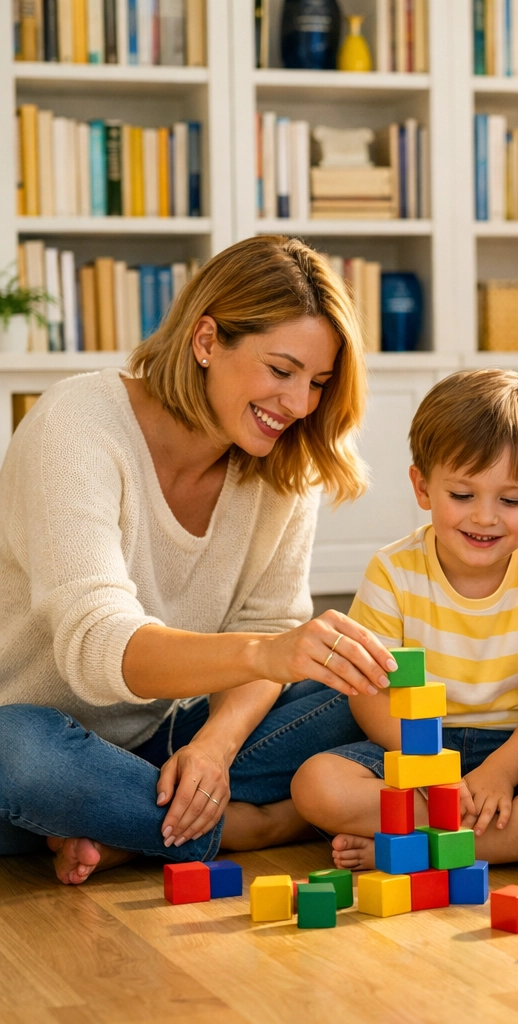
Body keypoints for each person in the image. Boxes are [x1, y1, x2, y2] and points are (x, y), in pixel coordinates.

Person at [0, 235, 397, 885]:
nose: (299, 406)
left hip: (175, 736)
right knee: (20, 758)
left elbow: (273, 629)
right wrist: (264, 656)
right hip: (44, 736)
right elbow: (101, 648)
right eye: (281, 370)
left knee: (366, 681)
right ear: (207, 341)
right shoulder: (79, 425)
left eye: (318, 383)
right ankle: (259, 824)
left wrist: (215, 746)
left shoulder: (284, 467)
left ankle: (126, 824)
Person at [291, 369, 518, 868]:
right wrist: (433, 769)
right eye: (462, 495)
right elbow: (371, 695)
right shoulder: (393, 571)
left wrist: (499, 772)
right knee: (317, 786)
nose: (485, 516)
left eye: (511, 499)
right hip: (421, 750)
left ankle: (419, 850)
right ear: (423, 487)